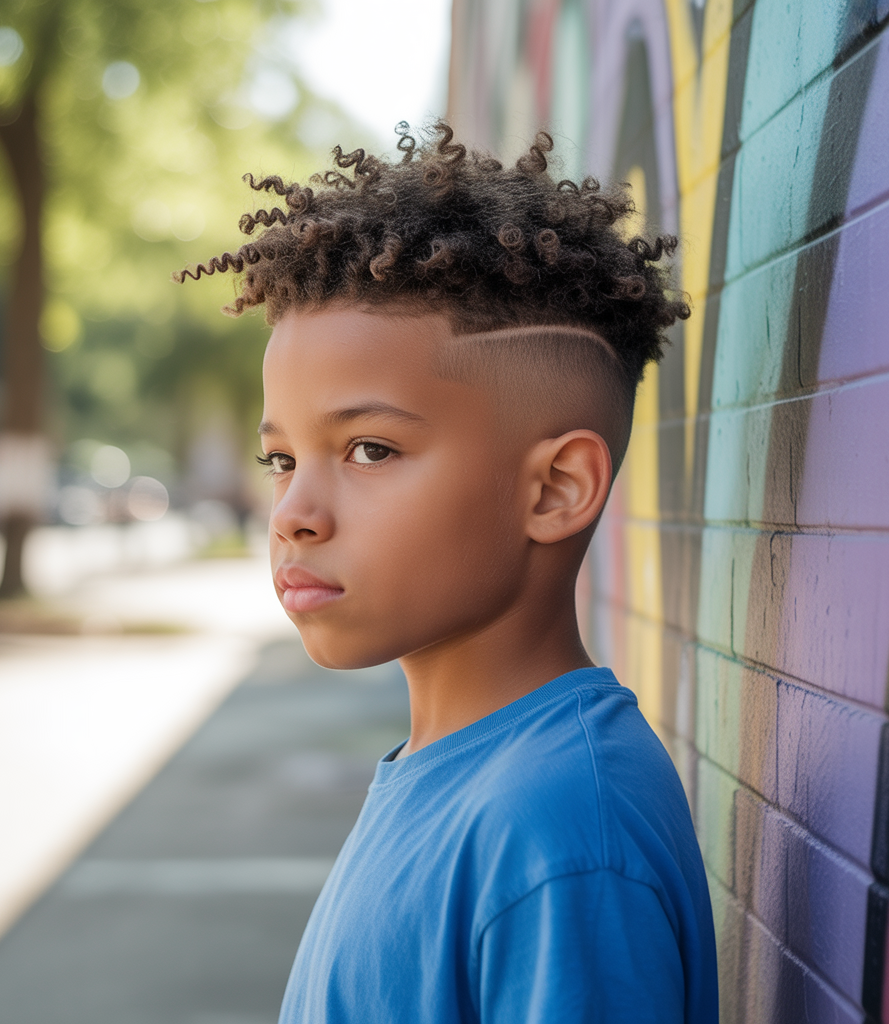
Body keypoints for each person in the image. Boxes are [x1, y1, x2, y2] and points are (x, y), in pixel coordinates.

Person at [178, 123, 718, 1024]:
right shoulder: (460, 774)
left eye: (370, 449)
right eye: (282, 460)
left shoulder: (558, 835)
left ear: (555, 489)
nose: (293, 514)